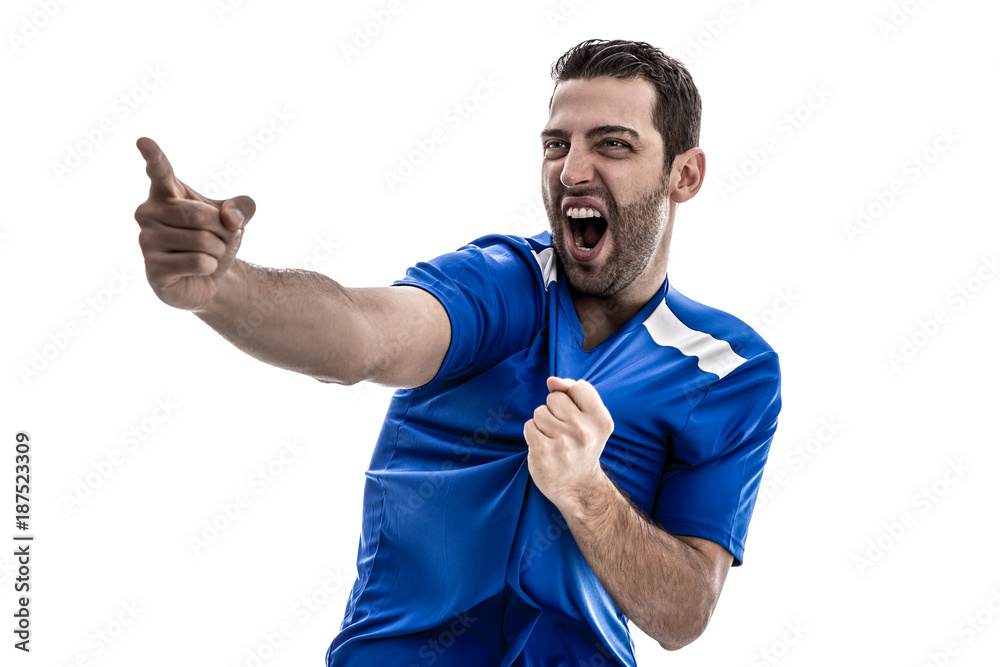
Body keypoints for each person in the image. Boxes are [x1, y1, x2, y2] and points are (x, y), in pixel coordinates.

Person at [133, 39, 781, 666]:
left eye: (612, 144)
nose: (573, 170)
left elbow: (684, 612)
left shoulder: (729, 368)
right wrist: (221, 287)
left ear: (684, 174)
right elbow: (361, 335)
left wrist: (585, 490)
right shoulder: (504, 284)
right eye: (557, 145)